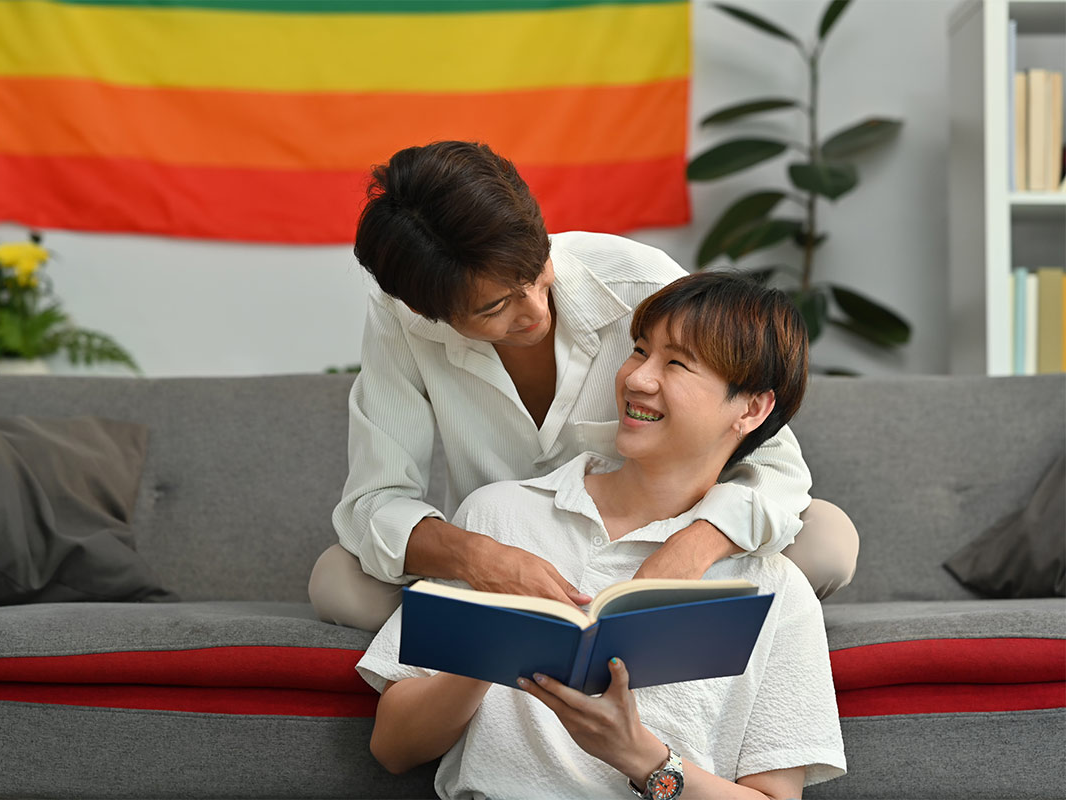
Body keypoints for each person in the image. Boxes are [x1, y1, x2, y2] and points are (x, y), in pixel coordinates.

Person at [310, 141, 858, 632]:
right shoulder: (400, 321)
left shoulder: (640, 282)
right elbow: (374, 500)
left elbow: (779, 468)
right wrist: (478, 558)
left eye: (535, 271)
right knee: (339, 581)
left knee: (827, 541)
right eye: (496, 306)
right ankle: (524, 630)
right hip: (502, 554)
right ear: (426, 311)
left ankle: (646, 623)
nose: (534, 311)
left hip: (650, 554)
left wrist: (691, 550)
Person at [357, 272, 846, 799]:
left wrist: (637, 754)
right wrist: (492, 651)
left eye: (677, 363)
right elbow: (392, 747)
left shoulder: (774, 591)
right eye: (639, 351)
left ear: (751, 409)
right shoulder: (498, 520)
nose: (637, 378)